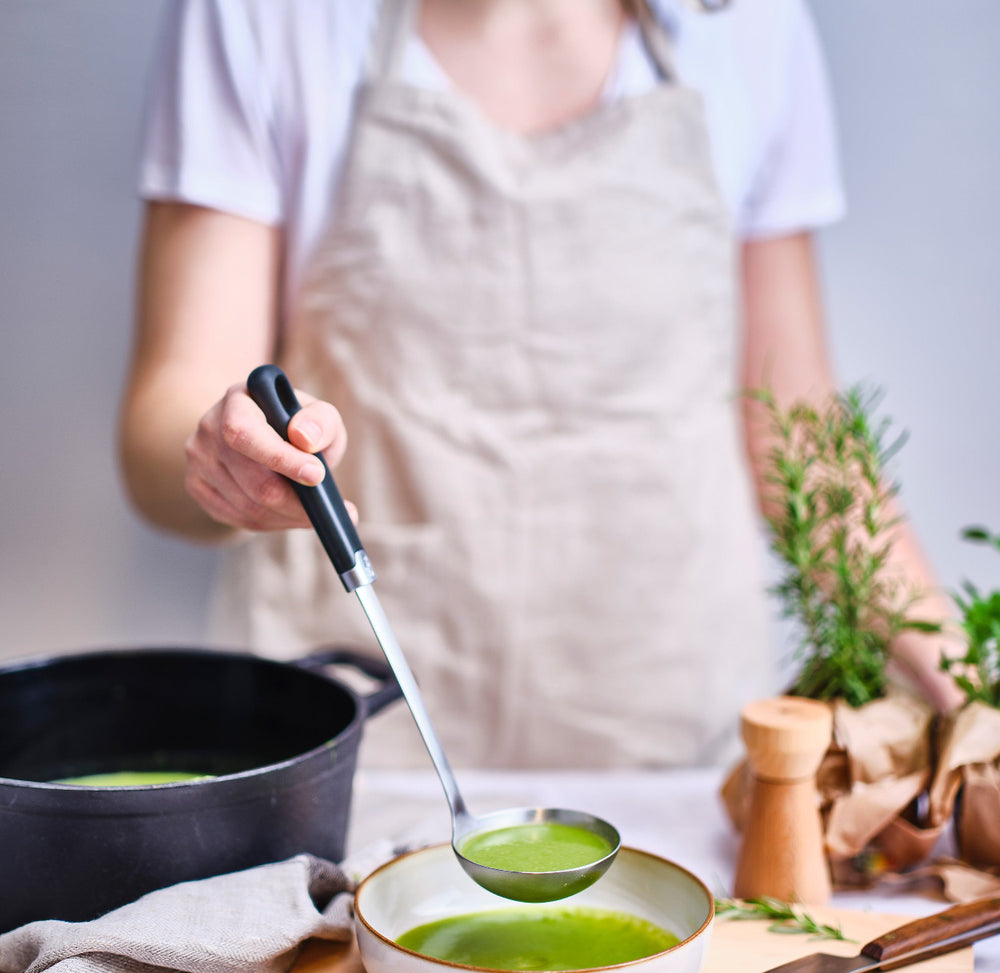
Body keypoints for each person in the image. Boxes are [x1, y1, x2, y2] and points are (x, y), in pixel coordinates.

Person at [119, 0, 960, 770]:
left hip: (669, 744)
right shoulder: (265, 17)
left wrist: (967, 689)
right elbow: (169, 422)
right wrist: (224, 464)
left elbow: (798, 428)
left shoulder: (746, 25)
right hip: (359, 740)